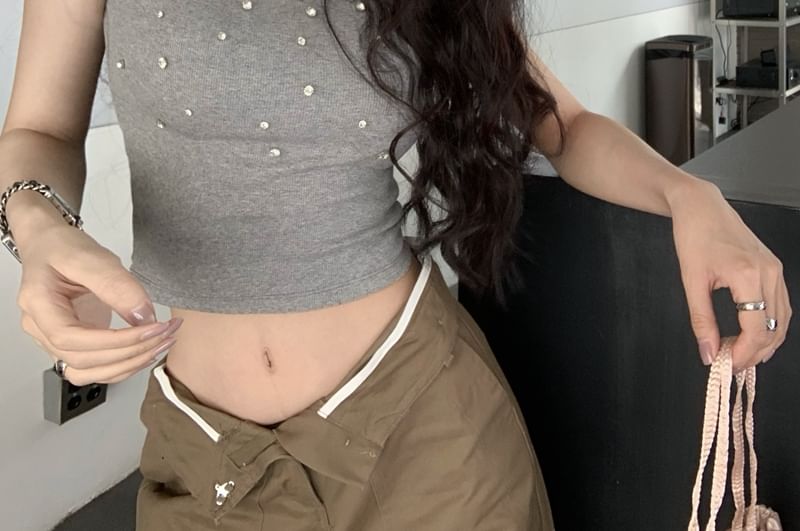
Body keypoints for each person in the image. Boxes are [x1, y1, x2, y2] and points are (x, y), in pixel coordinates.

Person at [0, 0, 791, 529]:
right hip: (206, 452)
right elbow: (38, 130)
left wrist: (691, 196)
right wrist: (38, 229)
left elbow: (566, 125)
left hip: (428, 432)